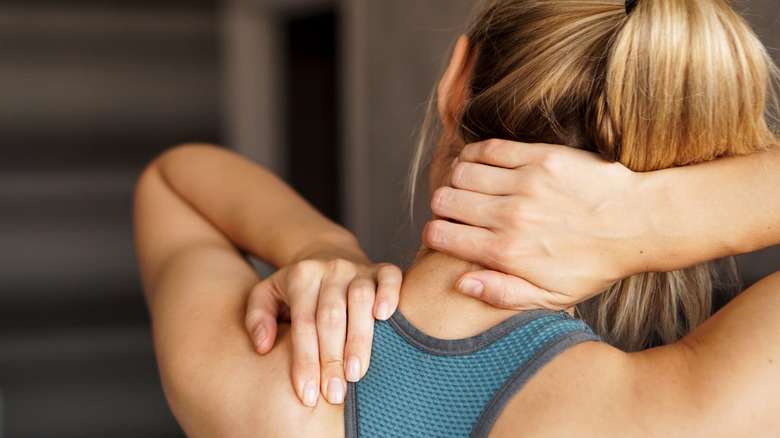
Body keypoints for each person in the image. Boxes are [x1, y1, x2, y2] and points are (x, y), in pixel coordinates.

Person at [134, 0, 780, 436]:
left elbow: (176, 177)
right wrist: (664, 217)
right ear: (686, 153)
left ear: (455, 80)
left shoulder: (254, 376)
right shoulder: (683, 412)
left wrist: (315, 245)